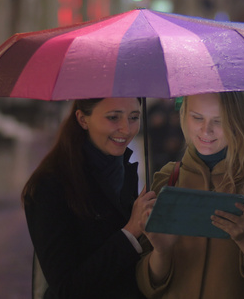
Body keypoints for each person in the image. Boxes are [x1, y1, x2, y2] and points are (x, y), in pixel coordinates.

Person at [136, 92, 244, 298]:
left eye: (219, 120)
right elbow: (147, 287)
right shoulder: (168, 179)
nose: (206, 130)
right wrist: (161, 252)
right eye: (197, 117)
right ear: (183, 115)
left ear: (238, 119)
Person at [22, 97, 156, 299]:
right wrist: (130, 232)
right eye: (113, 117)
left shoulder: (124, 169)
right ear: (83, 119)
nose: (127, 129)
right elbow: (66, 288)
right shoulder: (50, 185)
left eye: (134, 117)